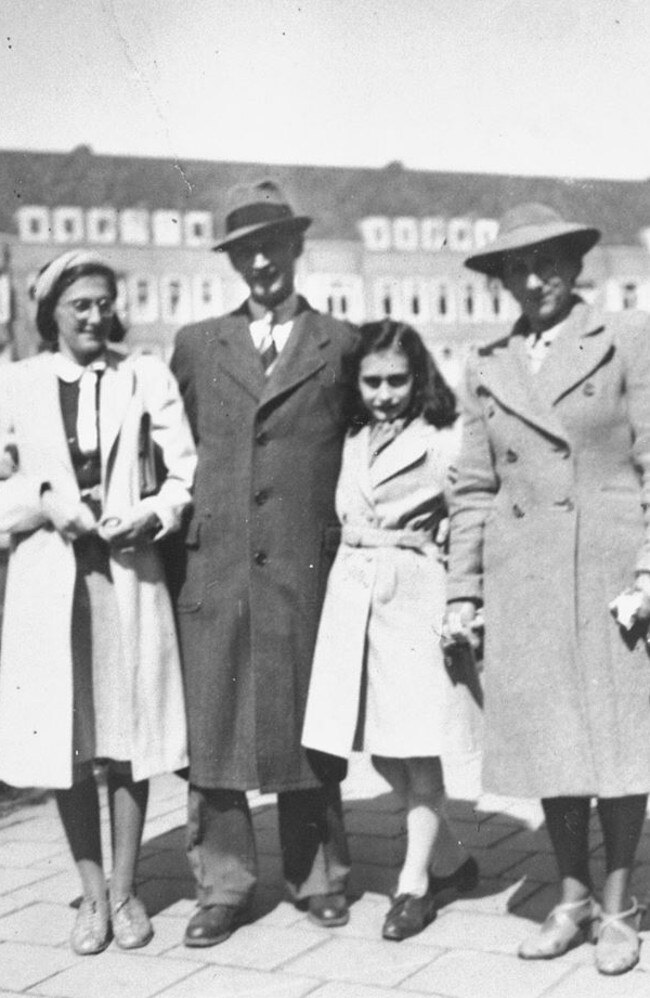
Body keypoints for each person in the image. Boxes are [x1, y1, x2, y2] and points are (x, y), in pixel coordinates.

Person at [444, 202, 650, 976]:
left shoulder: (627, 338)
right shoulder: (489, 365)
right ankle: (571, 899)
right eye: (519, 268)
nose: (537, 280)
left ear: (576, 265)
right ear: (500, 278)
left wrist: (649, 567)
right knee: (554, 742)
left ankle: (621, 905)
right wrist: (462, 590)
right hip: (524, 570)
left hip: (608, 567)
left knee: (621, 739)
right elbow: (472, 488)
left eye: (552, 262)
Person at [170, 181, 357, 947]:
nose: (259, 261)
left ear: (295, 249)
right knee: (214, 724)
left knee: (303, 719)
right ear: (232, 261)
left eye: (272, 246)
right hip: (214, 565)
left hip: (301, 567)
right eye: (244, 250)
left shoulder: (340, 344)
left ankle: (319, 877)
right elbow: (177, 444)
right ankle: (224, 885)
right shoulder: (195, 345)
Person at [0, 250, 196, 956]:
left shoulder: (142, 374)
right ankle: (88, 892)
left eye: (102, 303)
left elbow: (184, 472)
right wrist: (46, 503)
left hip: (125, 572)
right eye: (78, 304)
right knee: (68, 739)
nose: (93, 316)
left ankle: (125, 889)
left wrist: (153, 512)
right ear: (49, 310)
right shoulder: (14, 383)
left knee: (127, 734)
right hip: (51, 579)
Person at [303, 320, 480, 941]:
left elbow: (469, 519)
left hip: (412, 592)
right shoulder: (351, 435)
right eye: (372, 380)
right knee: (377, 745)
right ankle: (454, 858)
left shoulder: (443, 436)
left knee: (416, 743)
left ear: (419, 377)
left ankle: (413, 886)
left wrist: (465, 599)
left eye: (397, 380)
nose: (383, 393)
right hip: (352, 595)